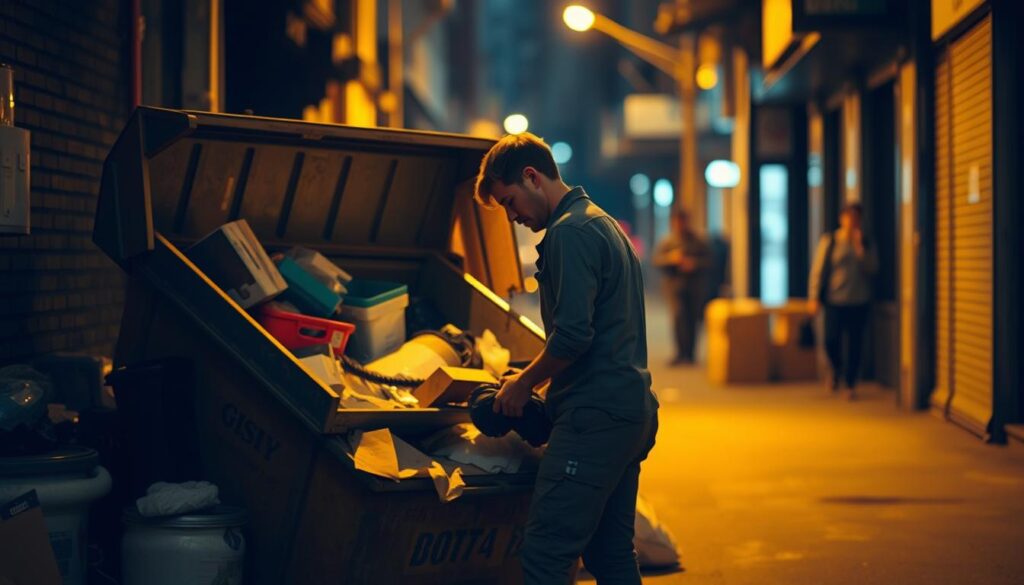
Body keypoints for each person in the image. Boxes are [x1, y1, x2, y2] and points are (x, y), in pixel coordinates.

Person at [474, 132, 659, 585]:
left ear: (532, 177)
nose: (512, 216)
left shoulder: (569, 233)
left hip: (593, 420)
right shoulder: (601, 223)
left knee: (545, 557)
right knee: (611, 556)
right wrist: (531, 373)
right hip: (626, 413)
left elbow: (574, 336)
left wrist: (523, 385)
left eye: (509, 202)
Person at [808, 202, 878, 398]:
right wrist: (814, 297)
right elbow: (818, 270)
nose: (853, 222)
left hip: (859, 300)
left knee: (855, 343)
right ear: (842, 219)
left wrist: (859, 248)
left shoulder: (865, 242)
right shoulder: (830, 241)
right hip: (834, 300)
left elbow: (873, 268)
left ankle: (850, 382)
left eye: (856, 218)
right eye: (849, 217)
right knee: (831, 340)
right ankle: (836, 369)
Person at [653, 208, 711, 365]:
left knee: (692, 319)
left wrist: (694, 264)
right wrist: (671, 259)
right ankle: (680, 353)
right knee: (678, 319)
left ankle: (690, 354)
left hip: (694, 286)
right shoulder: (668, 241)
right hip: (674, 286)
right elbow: (657, 260)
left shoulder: (698, 241)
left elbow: (709, 261)